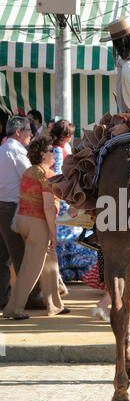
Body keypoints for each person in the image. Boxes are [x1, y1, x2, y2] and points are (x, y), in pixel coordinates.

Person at [2, 136, 70, 319]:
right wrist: (53, 234)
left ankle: (55, 305)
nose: (53, 152)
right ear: (42, 154)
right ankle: (13, 309)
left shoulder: (29, 171)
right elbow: (48, 206)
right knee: (30, 268)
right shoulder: (46, 174)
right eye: (50, 150)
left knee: (50, 263)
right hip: (37, 222)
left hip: (24, 219)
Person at [0, 116, 46, 310]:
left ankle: (3, 296)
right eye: (29, 131)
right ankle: (31, 296)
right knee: (21, 255)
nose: (31, 135)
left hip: (4, 205)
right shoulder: (16, 152)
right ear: (18, 132)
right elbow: (31, 179)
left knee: (3, 256)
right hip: (11, 207)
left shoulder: (3, 150)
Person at [50, 119, 97, 282]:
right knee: (71, 235)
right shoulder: (58, 152)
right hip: (63, 199)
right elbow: (59, 177)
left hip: (62, 198)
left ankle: (67, 271)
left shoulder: (56, 150)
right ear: (67, 136)